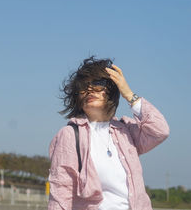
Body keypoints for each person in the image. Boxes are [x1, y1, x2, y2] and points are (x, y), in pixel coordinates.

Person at [48, 57, 169, 210]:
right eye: (83, 87)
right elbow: (61, 192)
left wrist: (129, 95)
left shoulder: (125, 131)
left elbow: (160, 130)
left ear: (111, 89)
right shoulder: (71, 135)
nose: (90, 89)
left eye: (97, 84)